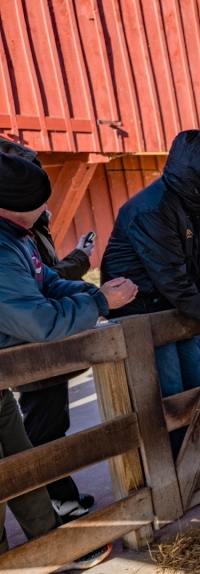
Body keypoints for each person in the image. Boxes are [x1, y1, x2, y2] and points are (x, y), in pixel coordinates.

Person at [0, 152, 138, 574]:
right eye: (38, 205)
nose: (46, 211)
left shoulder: (16, 236)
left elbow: (43, 285)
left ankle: (51, 547)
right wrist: (98, 304)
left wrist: (91, 292)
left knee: (23, 467)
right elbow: (36, 321)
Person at [101, 130, 200, 455]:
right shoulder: (152, 210)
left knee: (195, 385)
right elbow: (175, 282)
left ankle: (198, 461)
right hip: (143, 314)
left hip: (176, 310)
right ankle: (178, 470)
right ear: (194, 175)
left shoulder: (199, 205)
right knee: (171, 393)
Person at [0, 139, 97, 521]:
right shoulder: (10, 239)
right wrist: (92, 296)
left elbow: (43, 277)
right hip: (27, 345)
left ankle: (51, 531)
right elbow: (35, 313)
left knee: (25, 449)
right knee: (40, 431)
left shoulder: (22, 232)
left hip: (25, 350)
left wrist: (90, 294)